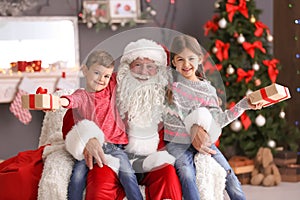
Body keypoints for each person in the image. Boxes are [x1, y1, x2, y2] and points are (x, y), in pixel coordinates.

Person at [62, 39, 182, 199]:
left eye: (150, 66)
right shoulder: (107, 84)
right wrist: (88, 138)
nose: (143, 72)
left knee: (167, 173)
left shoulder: (167, 93)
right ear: (128, 66)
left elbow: (187, 123)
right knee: (100, 180)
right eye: (138, 65)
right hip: (112, 154)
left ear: (158, 71)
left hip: (150, 158)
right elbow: (76, 112)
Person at [164, 34, 263, 200]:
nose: (186, 64)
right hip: (178, 143)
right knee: (186, 172)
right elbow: (170, 124)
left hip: (204, 143)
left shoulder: (207, 90)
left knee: (229, 174)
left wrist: (243, 105)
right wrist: (193, 129)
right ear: (173, 62)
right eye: (180, 59)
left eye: (191, 58)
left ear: (200, 59)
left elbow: (219, 120)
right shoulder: (170, 89)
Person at [60, 50, 143, 200]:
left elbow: (128, 74)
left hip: (114, 145)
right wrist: (60, 101)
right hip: (91, 147)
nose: (101, 79)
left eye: (106, 76)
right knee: (77, 176)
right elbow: (72, 100)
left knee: (127, 173)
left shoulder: (111, 89)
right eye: (97, 73)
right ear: (85, 70)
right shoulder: (82, 95)